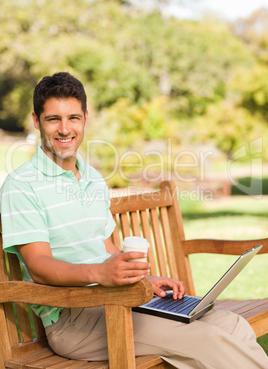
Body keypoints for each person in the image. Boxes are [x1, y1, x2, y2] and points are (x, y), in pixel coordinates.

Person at [0, 72, 267, 368]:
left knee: (233, 326)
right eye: (53, 119)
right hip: (75, 318)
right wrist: (99, 274)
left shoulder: (92, 178)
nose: (65, 129)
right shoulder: (22, 185)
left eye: (73, 118)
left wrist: (145, 280)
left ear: (85, 119)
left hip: (118, 298)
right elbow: (39, 267)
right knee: (207, 340)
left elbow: (106, 245)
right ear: (37, 121)